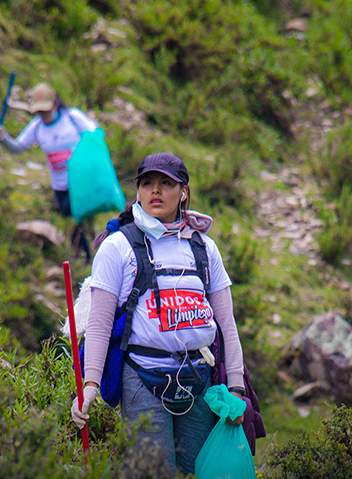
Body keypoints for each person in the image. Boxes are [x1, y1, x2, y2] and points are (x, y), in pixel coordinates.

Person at [70, 152, 247, 476]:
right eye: (147, 183)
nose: (156, 190)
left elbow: (227, 325)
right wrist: (90, 384)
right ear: (137, 190)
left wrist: (236, 388)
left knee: (201, 471)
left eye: (166, 184)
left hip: (199, 381)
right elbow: (99, 323)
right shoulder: (118, 246)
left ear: (183, 192)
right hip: (141, 379)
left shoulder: (204, 248)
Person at [0, 82, 97, 263]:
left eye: (46, 110)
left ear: (55, 103)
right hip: (60, 185)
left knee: (75, 216)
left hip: (81, 181)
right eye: (39, 112)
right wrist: (3, 137)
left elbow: (94, 134)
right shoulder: (37, 127)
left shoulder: (72, 117)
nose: (43, 115)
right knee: (69, 216)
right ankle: (81, 255)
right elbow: (18, 147)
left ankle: (84, 256)